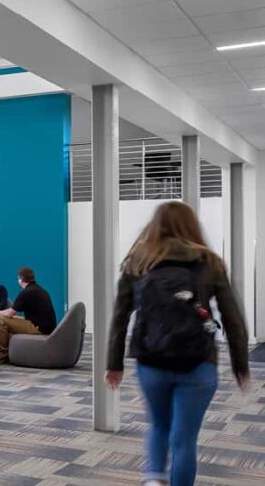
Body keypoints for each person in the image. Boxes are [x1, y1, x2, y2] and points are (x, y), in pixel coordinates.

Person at [105, 201, 249, 486]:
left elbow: (120, 316)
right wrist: (240, 365)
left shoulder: (138, 261)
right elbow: (232, 317)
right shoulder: (209, 262)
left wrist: (114, 363)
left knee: (159, 427)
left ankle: (153, 478)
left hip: (151, 360)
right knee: (184, 440)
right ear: (192, 225)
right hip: (199, 363)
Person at [0, 267, 57, 364]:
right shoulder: (39, 289)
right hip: (46, 327)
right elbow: (14, 313)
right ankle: (9, 351)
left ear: (21, 279)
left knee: (1, 320)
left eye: (18, 278)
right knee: (10, 319)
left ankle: (1, 355)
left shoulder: (26, 292)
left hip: (39, 328)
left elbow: (10, 312)